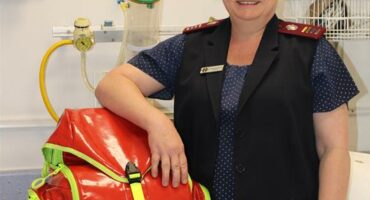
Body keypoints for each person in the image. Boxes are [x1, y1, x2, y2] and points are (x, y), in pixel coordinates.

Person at [95, 0, 359, 199]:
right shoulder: (189, 47)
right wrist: (158, 123)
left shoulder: (312, 52)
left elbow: (333, 149)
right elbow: (111, 84)